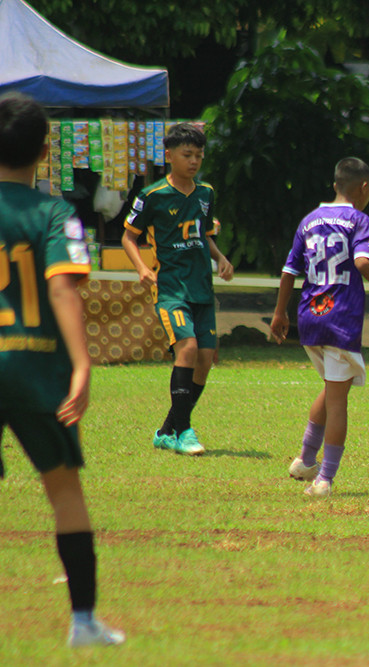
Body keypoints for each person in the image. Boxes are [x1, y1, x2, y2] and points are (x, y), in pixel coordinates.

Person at [0, 92, 125, 647]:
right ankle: (82, 622)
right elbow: (61, 286)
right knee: (64, 492)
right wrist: (82, 362)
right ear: (46, 149)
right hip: (34, 371)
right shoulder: (55, 213)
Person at [270, 157, 369, 497]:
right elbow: (362, 262)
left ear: (335, 185)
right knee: (338, 402)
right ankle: (325, 479)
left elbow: (290, 271)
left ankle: (304, 461)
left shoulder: (310, 220)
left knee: (335, 388)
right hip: (340, 318)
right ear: (364, 188)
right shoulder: (359, 220)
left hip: (309, 316)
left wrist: (279, 314)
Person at [121, 123, 234, 455]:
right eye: (187, 155)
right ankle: (185, 431)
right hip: (171, 286)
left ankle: (168, 429)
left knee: (205, 358)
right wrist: (142, 268)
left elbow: (204, 234)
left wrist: (220, 257)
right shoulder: (152, 196)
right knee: (186, 349)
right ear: (169, 156)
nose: (194, 161)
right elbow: (129, 236)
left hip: (201, 285)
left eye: (199, 155)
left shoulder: (206, 193)